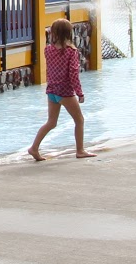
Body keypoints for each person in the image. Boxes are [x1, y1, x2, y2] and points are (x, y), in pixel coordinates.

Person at [29, 19, 96, 161]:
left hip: (51, 90)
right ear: (69, 33)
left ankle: (34, 148)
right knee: (79, 120)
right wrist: (79, 93)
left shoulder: (48, 50)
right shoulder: (71, 52)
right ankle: (80, 150)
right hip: (65, 91)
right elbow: (73, 74)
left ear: (53, 33)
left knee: (51, 122)